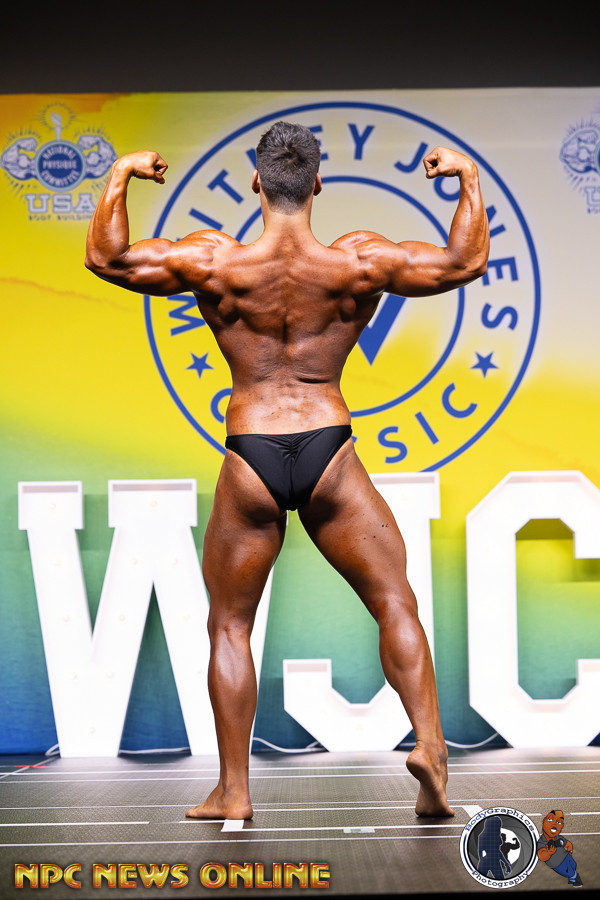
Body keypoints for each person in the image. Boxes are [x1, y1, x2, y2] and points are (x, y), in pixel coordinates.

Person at [85, 121, 489, 820]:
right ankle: (431, 749)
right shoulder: (358, 262)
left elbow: (107, 258)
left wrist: (120, 174)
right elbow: (464, 262)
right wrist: (468, 179)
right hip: (330, 446)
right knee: (394, 602)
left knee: (230, 626)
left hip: (252, 452)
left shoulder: (215, 261)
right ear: (318, 183)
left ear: (256, 182)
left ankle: (234, 789)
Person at [537, 809, 583, 887]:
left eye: (559, 822)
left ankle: (572, 879)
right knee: (570, 873)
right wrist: (549, 853)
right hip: (556, 864)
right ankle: (576, 878)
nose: (554, 824)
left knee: (573, 865)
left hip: (566, 856)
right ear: (544, 821)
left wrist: (570, 852)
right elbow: (541, 856)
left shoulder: (558, 837)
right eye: (550, 819)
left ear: (562, 825)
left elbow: (568, 844)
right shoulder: (542, 842)